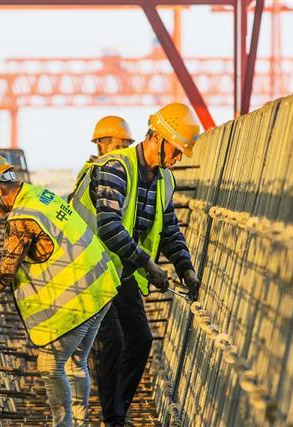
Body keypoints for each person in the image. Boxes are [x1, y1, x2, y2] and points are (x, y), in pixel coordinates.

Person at [0, 150, 120, 427]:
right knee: (75, 363)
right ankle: (80, 423)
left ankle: (64, 424)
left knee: (50, 364)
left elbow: (4, 275)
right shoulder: (37, 195)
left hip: (81, 297)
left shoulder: (22, 218)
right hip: (101, 285)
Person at [70, 103, 202, 426]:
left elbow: (169, 229)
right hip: (90, 266)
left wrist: (186, 268)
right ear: (157, 137)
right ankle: (113, 419)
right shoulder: (117, 167)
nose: (177, 159)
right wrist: (148, 265)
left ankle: (117, 412)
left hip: (121, 267)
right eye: (175, 149)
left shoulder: (163, 181)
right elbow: (109, 226)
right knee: (112, 339)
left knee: (141, 339)